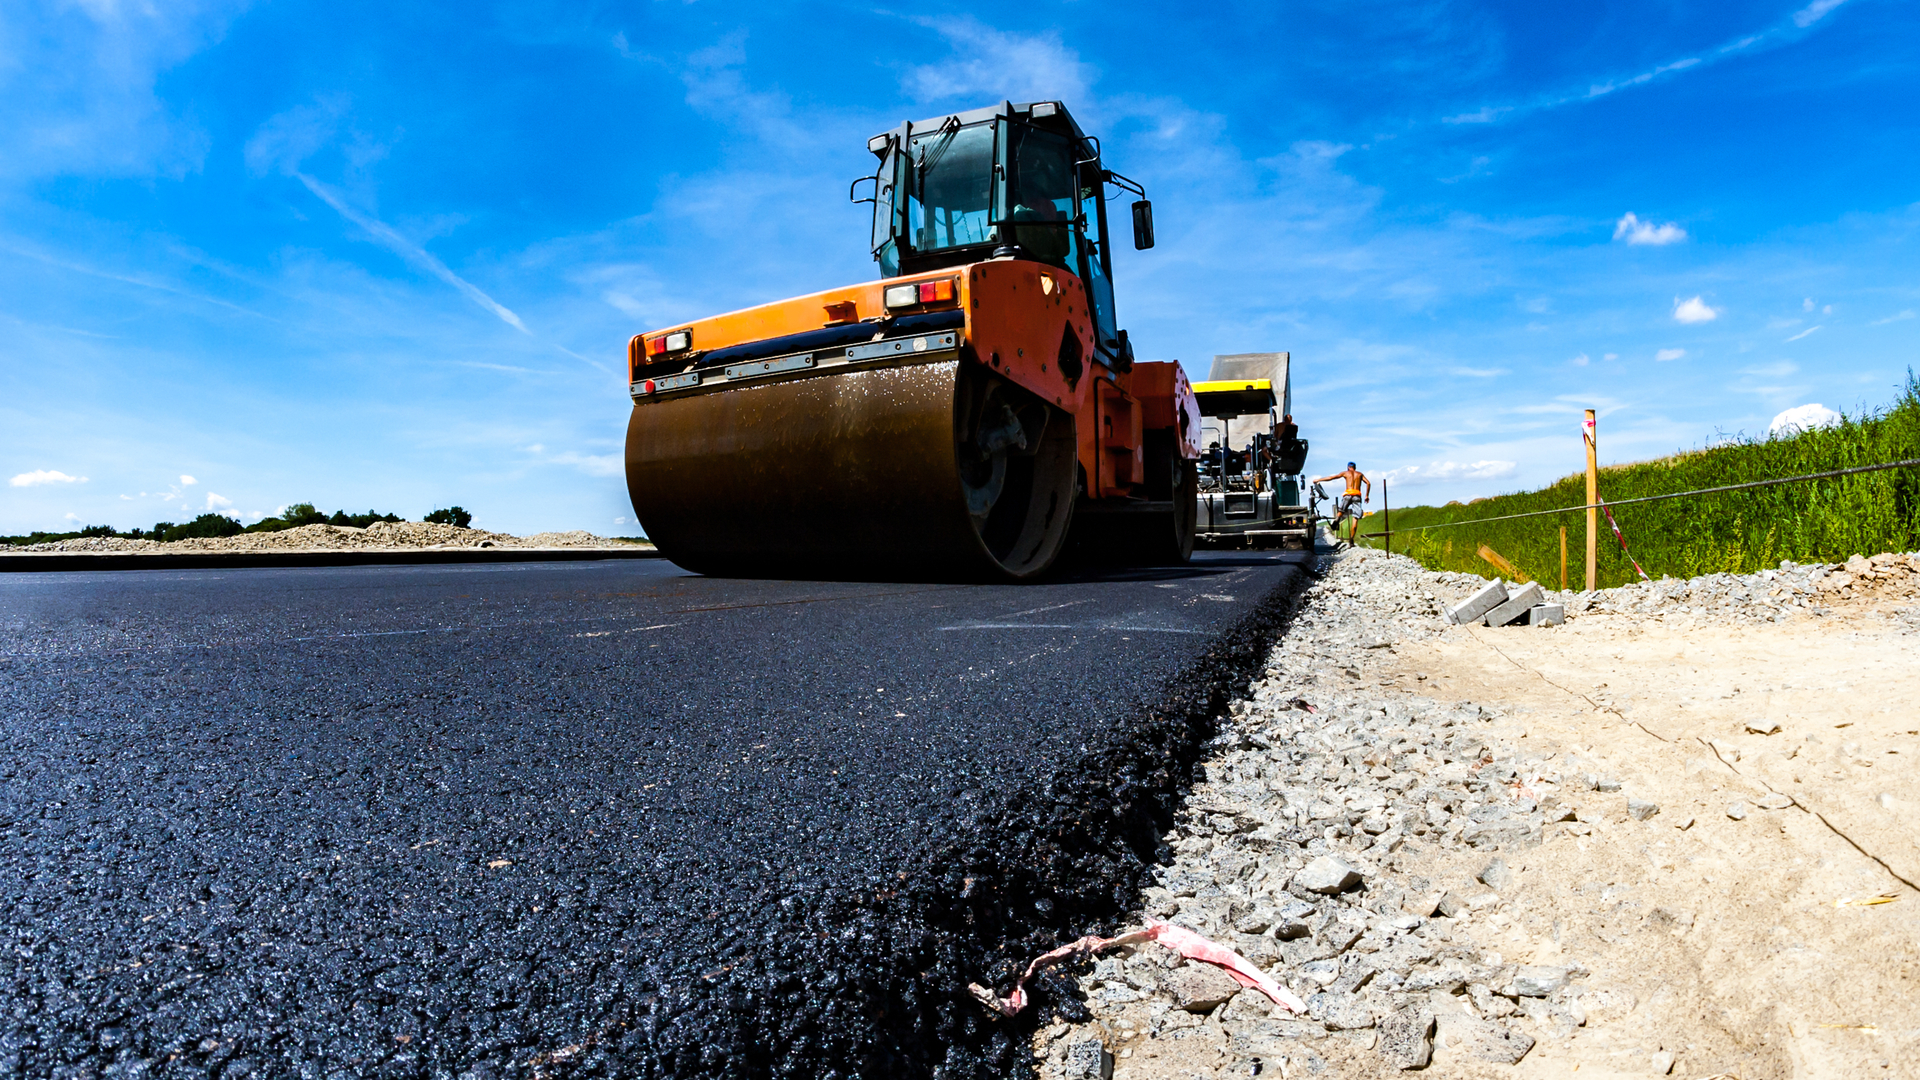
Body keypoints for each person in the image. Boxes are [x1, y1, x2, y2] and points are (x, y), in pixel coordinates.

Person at [1312, 461, 1370, 545]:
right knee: (1355, 517)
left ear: (1348, 467)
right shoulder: (1360, 474)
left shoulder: (1345, 473)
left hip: (1347, 494)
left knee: (1341, 510)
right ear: (1355, 467)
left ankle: (1337, 518)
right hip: (1357, 495)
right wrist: (1367, 495)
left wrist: (1319, 480)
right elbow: (1368, 483)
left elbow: (1332, 477)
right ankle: (1351, 540)